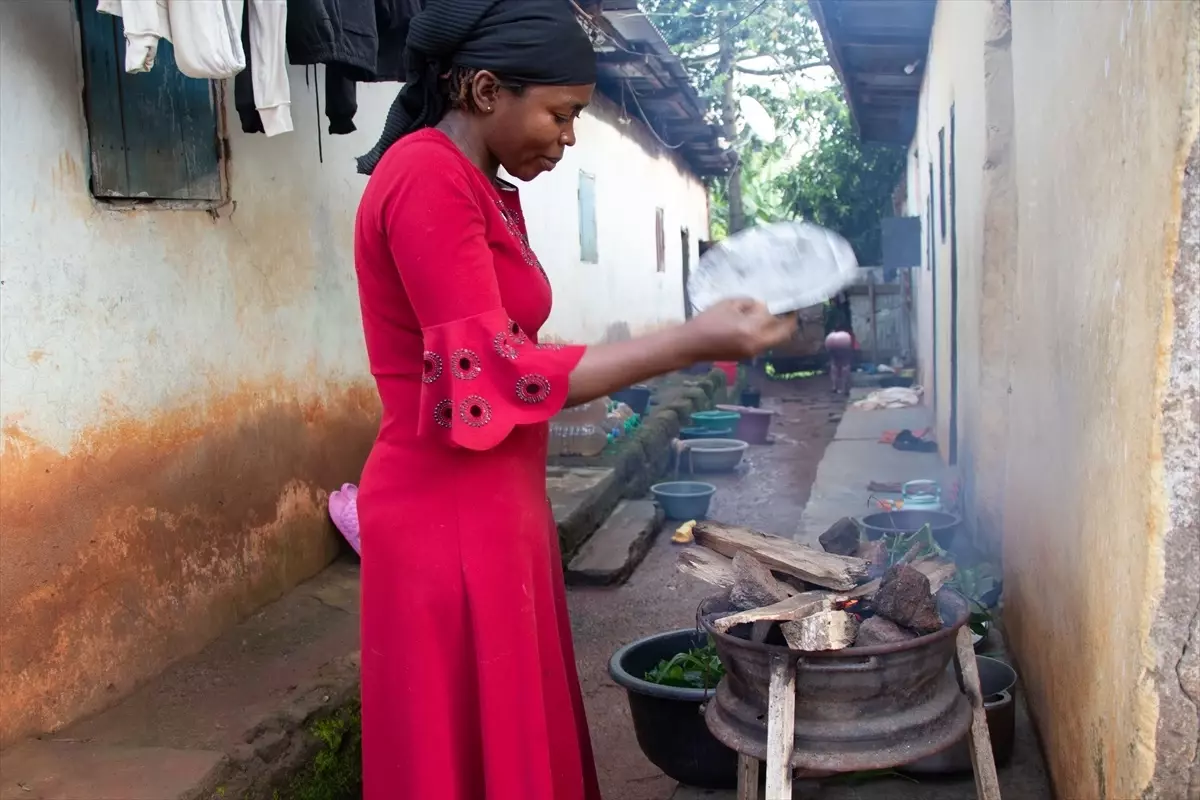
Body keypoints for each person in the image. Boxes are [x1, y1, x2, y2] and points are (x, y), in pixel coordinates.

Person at [351, 2, 797, 798]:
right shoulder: (425, 176)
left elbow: (507, 354)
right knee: (466, 755)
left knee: (512, 743)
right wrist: (690, 340)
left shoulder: (474, 185)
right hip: (445, 517)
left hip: (495, 507)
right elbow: (493, 375)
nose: (568, 135)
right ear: (487, 90)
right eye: (561, 113)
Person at [825, 322, 855, 394]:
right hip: (843, 343)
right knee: (845, 365)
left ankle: (834, 387)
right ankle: (845, 388)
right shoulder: (848, 335)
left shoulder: (831, 334)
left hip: (831, 341)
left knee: (834, 365)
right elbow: (853, 346)